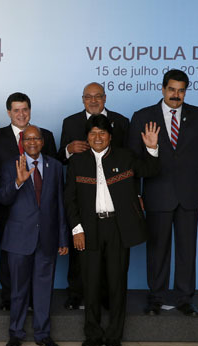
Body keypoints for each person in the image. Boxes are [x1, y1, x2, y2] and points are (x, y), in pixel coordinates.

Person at [128, 69, 198, 317]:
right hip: (157, 192)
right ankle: (156, 298)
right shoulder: (142, 116)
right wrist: (137, 194)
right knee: (157, 249)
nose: (176, 95)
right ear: (163, 88)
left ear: (185, 91)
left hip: (190, 193)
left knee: (188, 249)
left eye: (181, 90)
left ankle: (184, 298)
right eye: (172, 89)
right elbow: (132, 160)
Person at [65, 115, 160, 346]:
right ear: (87, 137)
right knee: (91, 285)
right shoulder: (77, 162)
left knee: (118, 284)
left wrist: (151, 147)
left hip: (118, 228)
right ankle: (93, 335)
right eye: (93, 133)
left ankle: (114, 337)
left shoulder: (125, 156)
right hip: (88, 230)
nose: (98, 138)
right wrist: (77, 229)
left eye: (103, 133)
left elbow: (150, 169)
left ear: (110, 136)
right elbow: (70, 199)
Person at [0, 125, 68, 346]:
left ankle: (43, 334)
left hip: (47, 238)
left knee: (44, 290)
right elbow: (1, 198)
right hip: (19, 239)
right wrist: (17, 183)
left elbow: (60, 205)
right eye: (28, 139)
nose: (33, 142)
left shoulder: (55, 166)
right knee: (18, 290)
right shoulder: (10, 166)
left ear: (43, 141)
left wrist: (63, 238)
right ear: (22, 143)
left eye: (37, 138)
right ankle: (15, 334)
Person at [57, 82, 130, 310]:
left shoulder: (122, 121)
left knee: (111, 258)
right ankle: (75, 294)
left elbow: (130, 161)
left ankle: (106, 297)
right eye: (88, 97)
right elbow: (60, 157)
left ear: (105, 98)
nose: (93, 100)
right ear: (82, 99)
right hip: (82, 197)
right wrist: (69, 149)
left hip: (113, 200)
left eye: (98, 96)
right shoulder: (70, 122)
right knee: (80, 250)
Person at [0, 92, 56, 311]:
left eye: (25, 109)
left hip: (38, 207)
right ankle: (9, 298)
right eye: (16, 110)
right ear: (8, 113)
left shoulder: (46, 136)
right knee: (9, 254)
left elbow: (52, 169)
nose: (21, 114)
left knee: (37, 253)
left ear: (30, 110)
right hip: (8, 204)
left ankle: (34, 299)